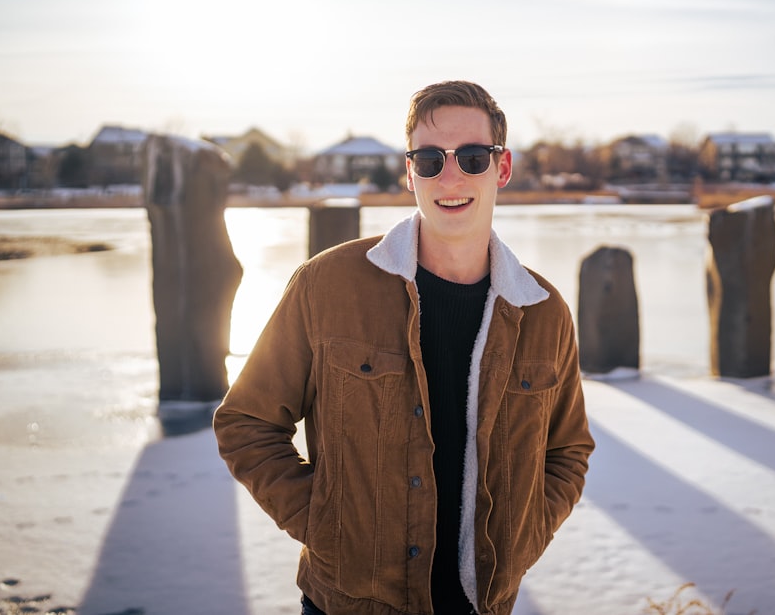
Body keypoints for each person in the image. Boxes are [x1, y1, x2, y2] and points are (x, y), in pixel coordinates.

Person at [214, 80, 594, 615]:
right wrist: (326, 524)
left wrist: (522, 539)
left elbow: (568, 451)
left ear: (502, 168)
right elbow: (246, 422)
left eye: (472, 157)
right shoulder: (328, 285)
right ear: (410, 171)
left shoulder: (543, 311)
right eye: (432, 159)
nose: (452, 175)